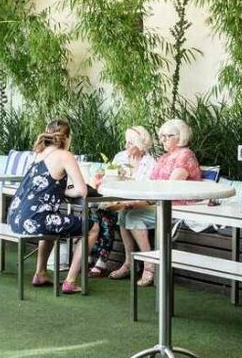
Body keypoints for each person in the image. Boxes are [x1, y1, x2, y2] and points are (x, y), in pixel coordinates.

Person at [114, 119, 201, 287]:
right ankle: (129, 262)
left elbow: (170, 188)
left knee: (133, 218)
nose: (163, 140)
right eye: (161, 137)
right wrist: (139, 202)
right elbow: (151, 183)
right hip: (161, 204)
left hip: (178, 207)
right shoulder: (165, 157)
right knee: (123, 214)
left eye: (168, 136)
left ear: (181, 137)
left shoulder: (185, 155)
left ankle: (150, 267)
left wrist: (142, 203)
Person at [7, 119, 90, 294]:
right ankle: (70, 280)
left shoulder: (39, 153)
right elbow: (82, 191)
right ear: (67, 138)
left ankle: (41, 273)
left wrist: (62, 191)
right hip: (36, 219)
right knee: (92, 228)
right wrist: (68, 192)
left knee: (52, 219)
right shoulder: (65, 155)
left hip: (16, 217)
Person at [86, 126, 156, 278]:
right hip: (117, 201)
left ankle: (112, 262)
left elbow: (148, 192)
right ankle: (98, 260)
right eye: (126, 142)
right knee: (96, 213)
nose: (126, 146)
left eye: (130, 143)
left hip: (139, 204)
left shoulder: (150, 163)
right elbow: (107, 179)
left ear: (141, 144)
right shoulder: (121, 157)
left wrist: (123, 203)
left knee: (119, 215)